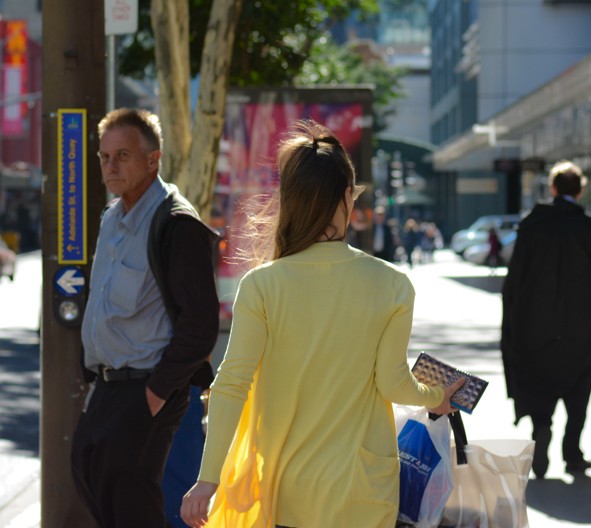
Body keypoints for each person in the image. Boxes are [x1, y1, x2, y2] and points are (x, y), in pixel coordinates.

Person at [181, 121, 463, 528]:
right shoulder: (393, 284)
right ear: (348, 196)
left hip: (284, 490)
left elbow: (231, 384)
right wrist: (436, 395)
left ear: (290, 201)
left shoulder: (261, 285)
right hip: (362, 491)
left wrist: (208, 480)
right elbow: (392, 383)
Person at [71, 108, 220, 528]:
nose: (110, 166)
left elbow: (200, 327)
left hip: (148, 386)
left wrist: (156, 393)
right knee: (88, 471)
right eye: (104, 157)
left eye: (122, 155)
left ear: (153, 160)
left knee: (132, 505)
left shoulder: (176, 223)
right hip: (108, 384)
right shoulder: (111, 218)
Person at [501, 160, 591, 479]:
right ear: (580, 191)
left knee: (540, 379)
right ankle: (573, 452)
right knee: (579, 384)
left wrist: (511, 319)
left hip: (534, 322)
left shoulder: (530, 225)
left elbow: (515, 278)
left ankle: (541, 426)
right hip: (580, 325)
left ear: (552, 189)